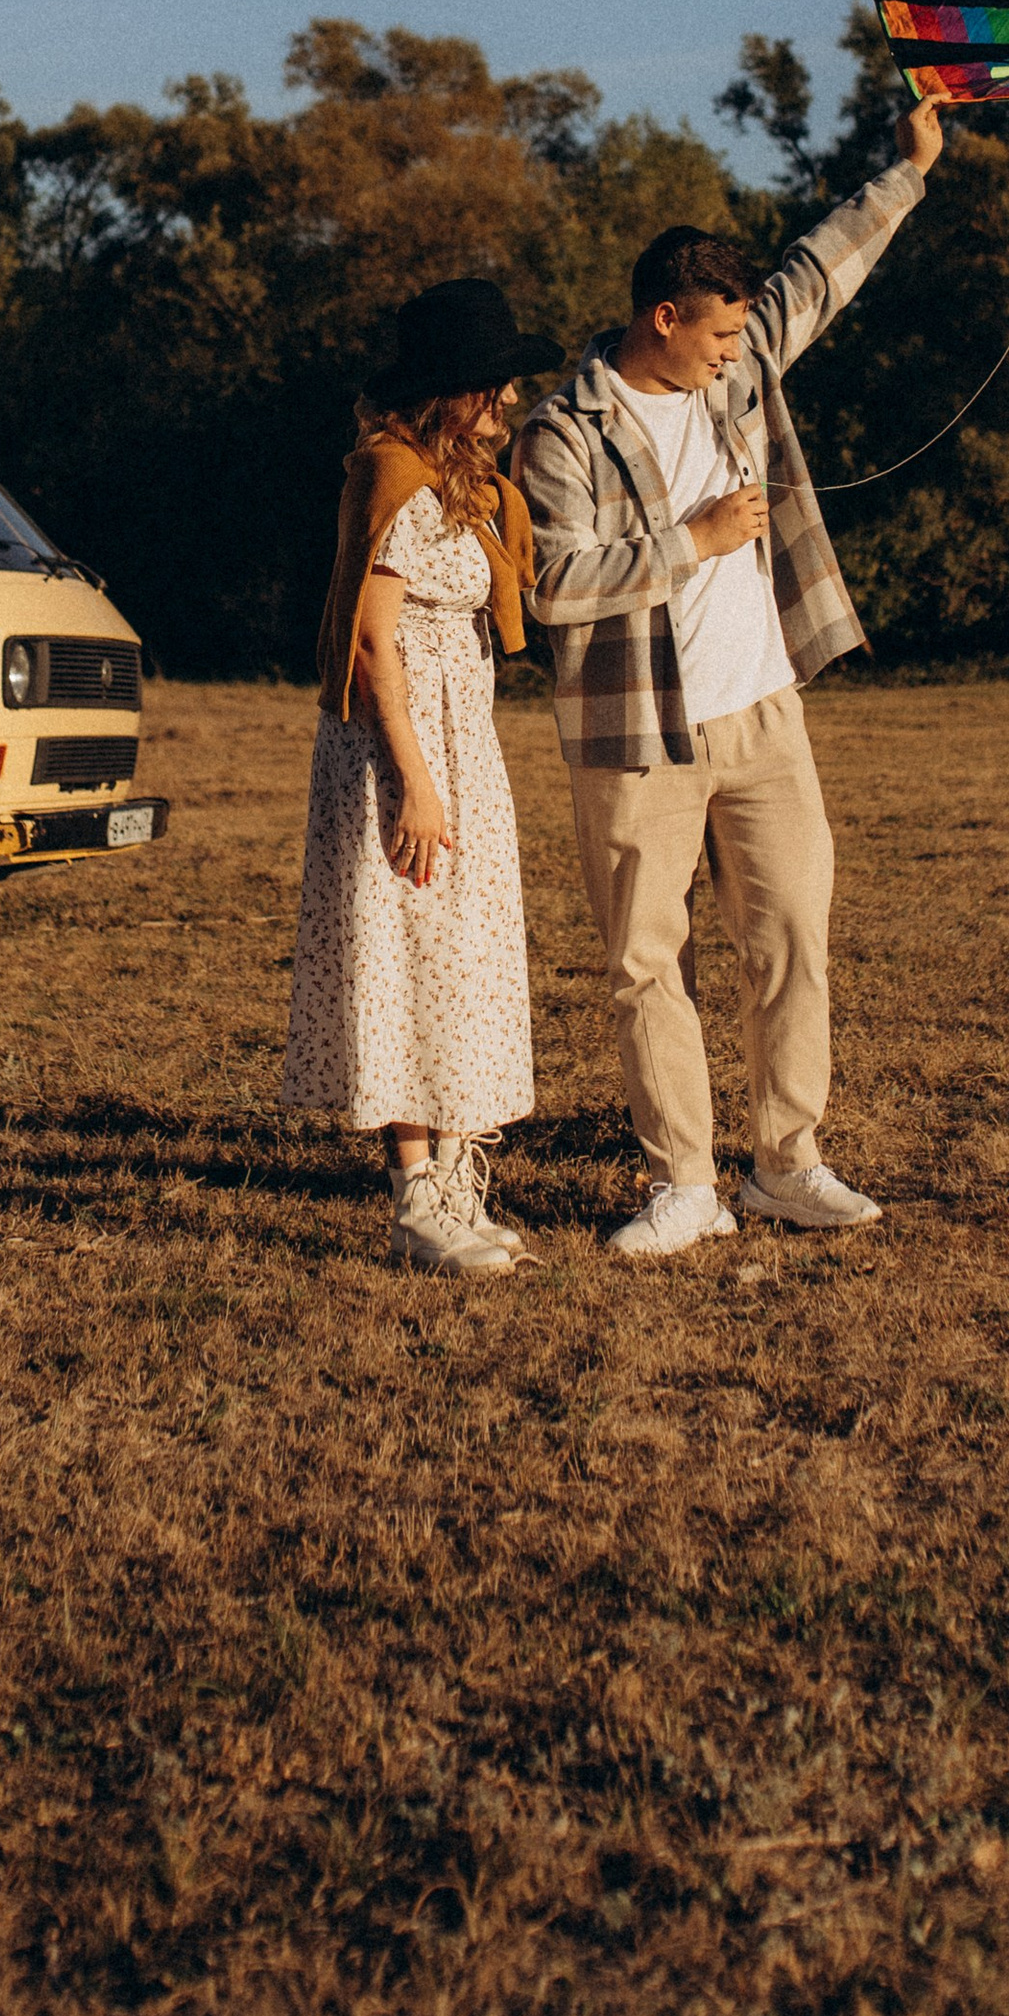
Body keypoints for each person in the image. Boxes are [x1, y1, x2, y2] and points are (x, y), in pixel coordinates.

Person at [512, 92, 949, 1258]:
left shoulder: (741, 356)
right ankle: (684, 1185)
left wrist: (905, 172)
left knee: (793, 937)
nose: (731, 355)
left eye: (736, 338)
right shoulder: (564, 431)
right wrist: (691, 542)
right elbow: (550, 584)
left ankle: (787, 1164)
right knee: (647, 961)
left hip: (764, 715)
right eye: (712, 337)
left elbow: (819, 274)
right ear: (661, 319)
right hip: (635, 735)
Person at [282, 274, 562, 1277]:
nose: (507, 405)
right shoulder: (389, 476)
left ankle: (458, 1170)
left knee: (465, 953)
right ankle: (417, 1195)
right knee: (405, 953)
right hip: (396, 748)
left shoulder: (467, 489)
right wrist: (416, 781)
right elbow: (370, 641)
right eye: (493, 389)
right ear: (448, 392)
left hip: (460, 739)